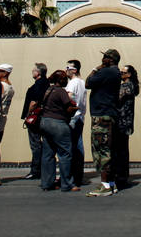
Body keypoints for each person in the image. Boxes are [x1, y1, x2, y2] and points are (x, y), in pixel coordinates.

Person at [85, 49, 121, 197]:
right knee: (108, 149)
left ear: (109, 59)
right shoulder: (115, 72)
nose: (102, 59)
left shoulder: (106, 72)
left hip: (101, 116)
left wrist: (95, 69)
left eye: (104, 57)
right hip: (109, 114)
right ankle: (111, 184)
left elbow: (88, 83)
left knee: (101, 149)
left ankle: (105, 185)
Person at [34, 70, 77, 192]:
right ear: (61, 80)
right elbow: (68, 108)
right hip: (58, 124)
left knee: (48, 154)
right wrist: (75, 108)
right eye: (64, 78)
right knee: (65, 154)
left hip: (45, 123)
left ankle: (47, 183)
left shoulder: (48, 90)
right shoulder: (61, 92)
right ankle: (67, 183)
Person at [22, 63, 49, 180]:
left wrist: (28, 115)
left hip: (35, 118)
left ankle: (36, 170)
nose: (32, 71)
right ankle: (42, 169)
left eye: (34, 70)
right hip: (42, 117)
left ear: (39, 72)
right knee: (41, 144)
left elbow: (34, 102)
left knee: (35, 144)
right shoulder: (46, 83)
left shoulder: (39, 84)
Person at [113, 65, 138, 189]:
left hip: (122, 123)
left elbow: (116, 98)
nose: (120, 74)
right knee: (121, 150)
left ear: (129, 74)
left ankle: (121, 176)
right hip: (124, 122)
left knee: (120, 150)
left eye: (123, 72)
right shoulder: (128, 86)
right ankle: (122, 175)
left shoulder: (127, 86)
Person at [65, 59, 87, 187]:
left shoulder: (73, 83)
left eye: (68, 67)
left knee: (72, 146)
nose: (66, 70)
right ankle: (78, 175)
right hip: (80, 117)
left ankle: (72, 175)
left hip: (73, 117)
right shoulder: (83, 83)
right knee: (78, 145)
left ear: (75, 70)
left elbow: (69, 97)